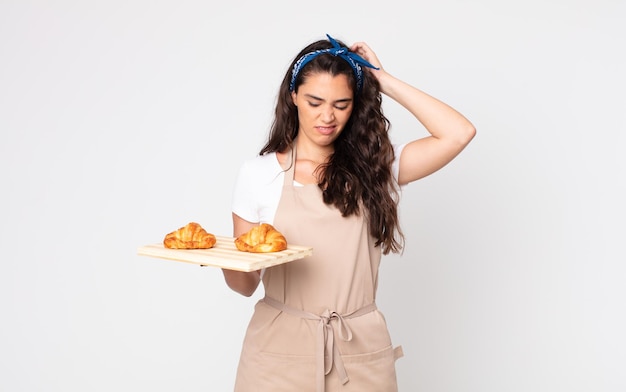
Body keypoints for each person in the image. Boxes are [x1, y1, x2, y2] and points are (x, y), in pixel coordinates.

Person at [223, 34, 476, 392]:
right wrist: (225, 259)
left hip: (358, 352)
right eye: (315, 102)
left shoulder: (377, 167)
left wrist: (382, 79)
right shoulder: (258, 174)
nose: (327, 116)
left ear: (355, 104)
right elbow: (244, 286)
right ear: (293, 97)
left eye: (341, 104)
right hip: (276, 355)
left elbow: (458, 133)